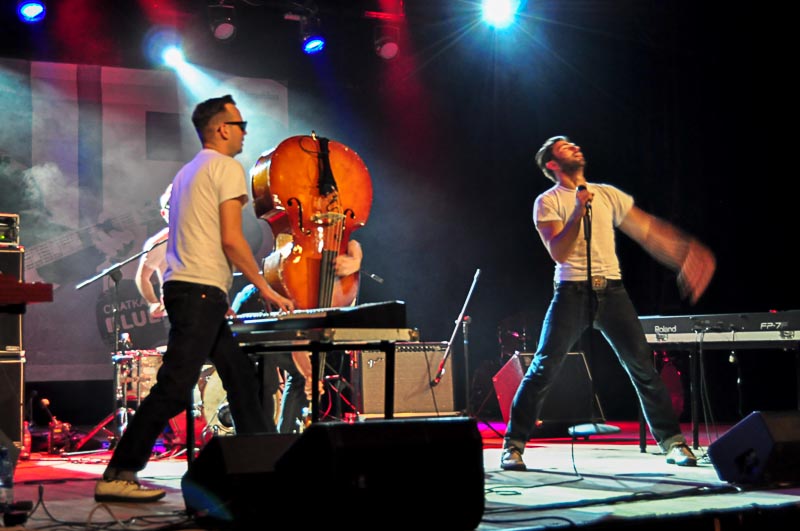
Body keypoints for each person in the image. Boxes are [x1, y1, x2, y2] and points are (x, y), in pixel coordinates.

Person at [95, 95, 295, 502]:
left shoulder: (187, 173)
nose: (244, 133)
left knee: (239, 378)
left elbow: (198, 237)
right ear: (221, 129)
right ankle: (119, 471)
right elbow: (231, 239)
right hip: (198, 292)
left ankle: (266, 464)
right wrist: (266, 287)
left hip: (194, 291)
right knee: (174, 386)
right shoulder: (226, 167)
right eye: (239, 125)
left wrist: (222, 291)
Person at [500, 135, 716, 471]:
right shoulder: (547, 201)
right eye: (564, 147)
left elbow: (647, 230)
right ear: (552, 164)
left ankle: (673, 443)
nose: (574, 147)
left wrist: (685, 252)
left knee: (643, 367)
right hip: (571, 293)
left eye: (573, 144)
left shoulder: (607, 194)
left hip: (612, 293)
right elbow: (559, 252)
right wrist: (577, 211)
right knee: (543, 368)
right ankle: (513, 446)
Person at [230, 239, 363, 433]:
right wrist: (310, 375)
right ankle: (260, 439)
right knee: (265, 381)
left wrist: (356, 258)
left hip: (287, 321)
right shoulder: (303, 285)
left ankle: (286, 438)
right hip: (256, 310)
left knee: (299, 376)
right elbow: (298, 341)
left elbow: (352, 241)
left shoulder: (333, 298)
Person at [134, 184, 172, 319]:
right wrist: (153, 302)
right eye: (171, 206)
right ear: (163, 214)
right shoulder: (159, 242)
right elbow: (142, 277)